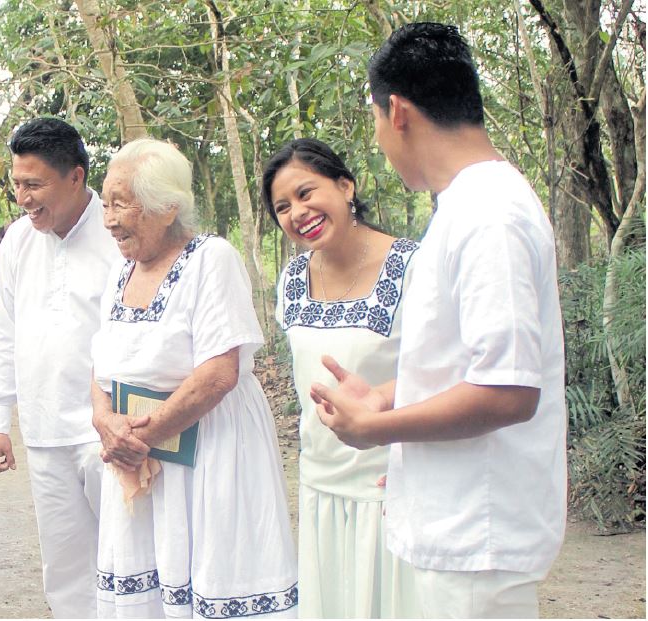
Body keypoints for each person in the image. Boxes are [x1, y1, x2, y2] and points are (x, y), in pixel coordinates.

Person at [311, 22, 567, 618]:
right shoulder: (465, 207)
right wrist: (384, 398)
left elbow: (507, 391)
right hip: (454, 528)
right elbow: (469, 364)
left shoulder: (490, 215)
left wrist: (374, 430)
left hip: (477, 537)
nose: (380, 139)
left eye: (376, 122)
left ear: (396, 110)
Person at [92, 138, 298, 618]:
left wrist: (145, 434)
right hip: (137, 457)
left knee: (211, 581)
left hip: (210, 453)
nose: (109, 219)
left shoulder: (211, 258)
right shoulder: (119, 272)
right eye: (105, 204)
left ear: (166, 207)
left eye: (121, 203)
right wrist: (105, 421)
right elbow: (99, 361)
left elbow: (219, 373)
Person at [262, 137, 419, 618]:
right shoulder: (291, 280)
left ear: (346, 186)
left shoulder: (413, 266)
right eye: (282, 207)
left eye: (307, 193)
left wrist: (383, 403)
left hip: (392, 488)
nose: (297, 213)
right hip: (321, 488)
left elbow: (445, 372)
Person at [0, 117, 120, 617]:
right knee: (64, 570)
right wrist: (0, 422)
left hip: (106, 432)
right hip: (44, 434)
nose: (23, 197)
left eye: (34, 184)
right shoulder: (17, 242)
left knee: (126, 559)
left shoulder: (117, 237)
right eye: (17, 184)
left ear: (76, 177)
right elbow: (6, 332)